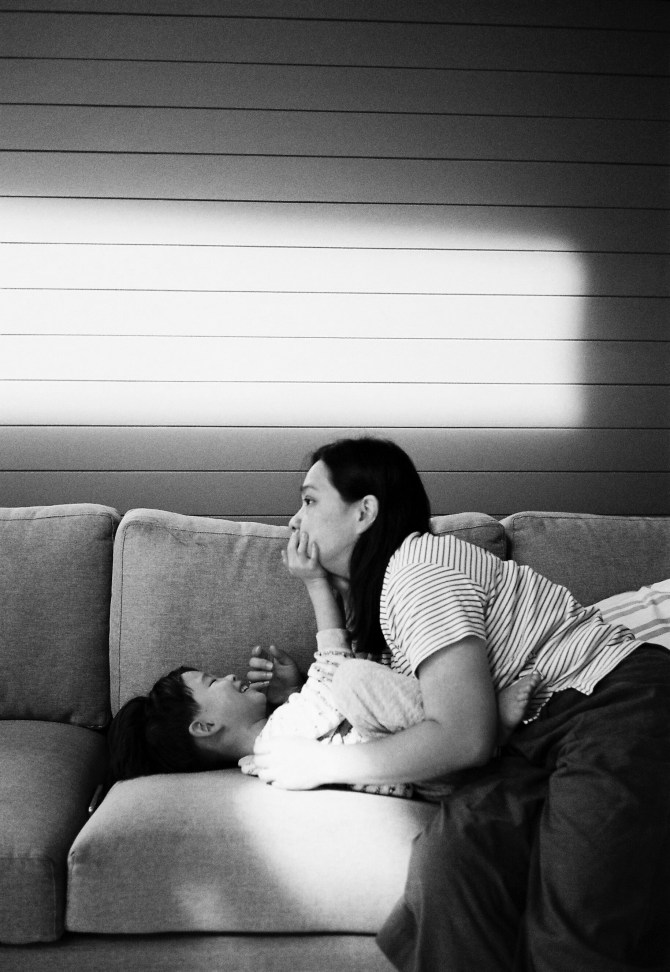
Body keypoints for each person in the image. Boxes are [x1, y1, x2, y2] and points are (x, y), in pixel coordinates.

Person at [248, 436, 670, 972]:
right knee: (452, 867)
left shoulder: (418, 568)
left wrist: (321, 764)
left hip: (609, 703)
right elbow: (347, 686)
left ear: (365, 512)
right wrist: (320, 588)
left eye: (309, 501)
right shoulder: (388, 593)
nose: (293, 521)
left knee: (576, 933)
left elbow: (463, 736)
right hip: (530, 742)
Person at [106, 534, 539, 800]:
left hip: (425, 777)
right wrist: (316, 584)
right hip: (426, 763)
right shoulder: (276, 741)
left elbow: (324, 711)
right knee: (351, 678)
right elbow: (334, 670)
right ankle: (484, 727)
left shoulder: (268, 750)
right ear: (204, 727)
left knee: (358, 677)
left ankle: (475, 734)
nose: (230, 675)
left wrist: (294, 689)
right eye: (213, 681)